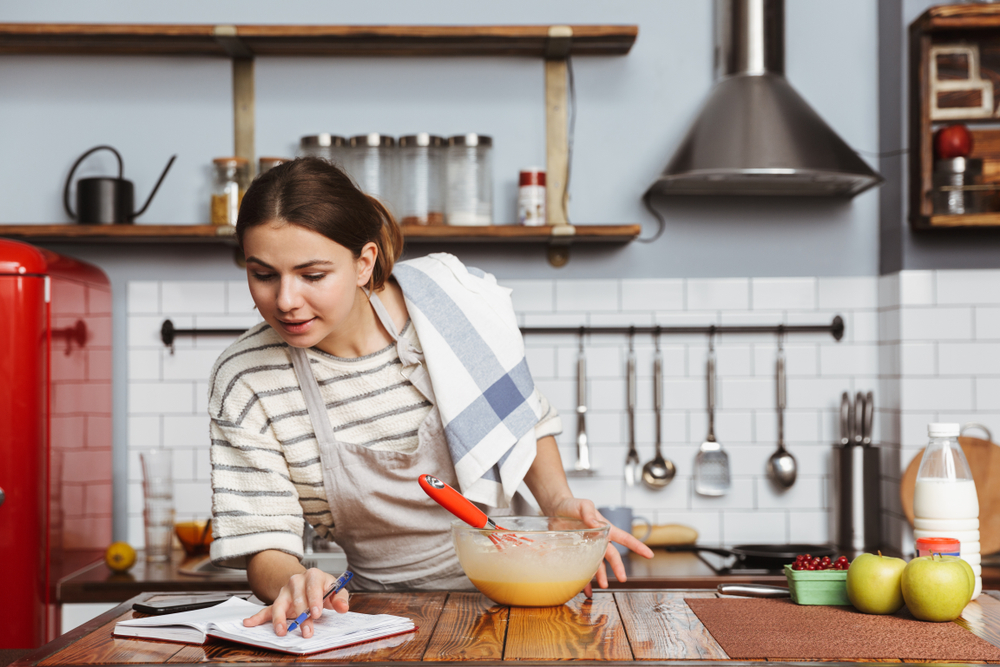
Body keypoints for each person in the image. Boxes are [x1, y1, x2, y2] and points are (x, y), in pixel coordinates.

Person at [207, 157, 652, 638]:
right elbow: (262, 538)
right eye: (263, 274)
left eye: (312, 275)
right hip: (377, 615)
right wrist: (294, 582)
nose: (286, 299)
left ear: (363, 262)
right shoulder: (247, 377)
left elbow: (521, 415)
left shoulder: (444, 306)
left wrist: (560, 502)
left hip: (520, 595)